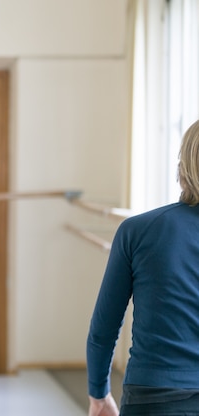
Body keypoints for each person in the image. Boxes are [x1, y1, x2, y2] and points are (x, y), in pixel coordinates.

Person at [86, 119, 199, 416]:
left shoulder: (138, 230)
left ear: (183, 165)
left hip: (155, 395)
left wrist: (99, 393)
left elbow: (104, 326)